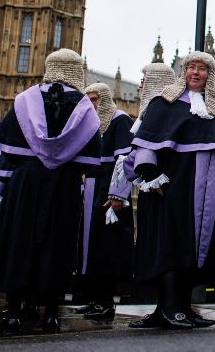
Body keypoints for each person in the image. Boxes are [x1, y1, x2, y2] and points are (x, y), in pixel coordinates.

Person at [124, 52, 215, 329]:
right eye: (191, 67)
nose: (195, 73)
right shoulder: (164, 102)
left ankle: (183, 307)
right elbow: (145, 141)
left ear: (209, 75)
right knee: (169, 244)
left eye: (201, 69)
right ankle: (167, 308)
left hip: (206, 192)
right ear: (184, 71)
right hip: (170, 187)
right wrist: (150, 174)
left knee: (193, 247)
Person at [0, 49, 103, 334]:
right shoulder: (83, 106)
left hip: (26, 183)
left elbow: (8, 152)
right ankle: (51, 312)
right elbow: (91, 159)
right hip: (63, 184)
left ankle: (14, 311)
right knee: (57, 246)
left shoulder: (26, 99)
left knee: (20, 242)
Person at [75, 82, 134, 320]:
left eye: (95, 99)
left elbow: (125, 158)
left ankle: (106, 302)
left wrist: (118, 192)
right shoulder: (94, 125)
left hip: (108, 190)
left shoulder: (119, 120)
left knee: (106, 247)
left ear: (106, 99)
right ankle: (93, 298)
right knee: (90, 246)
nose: (91, 104)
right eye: (87, 99)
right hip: (91, 187)